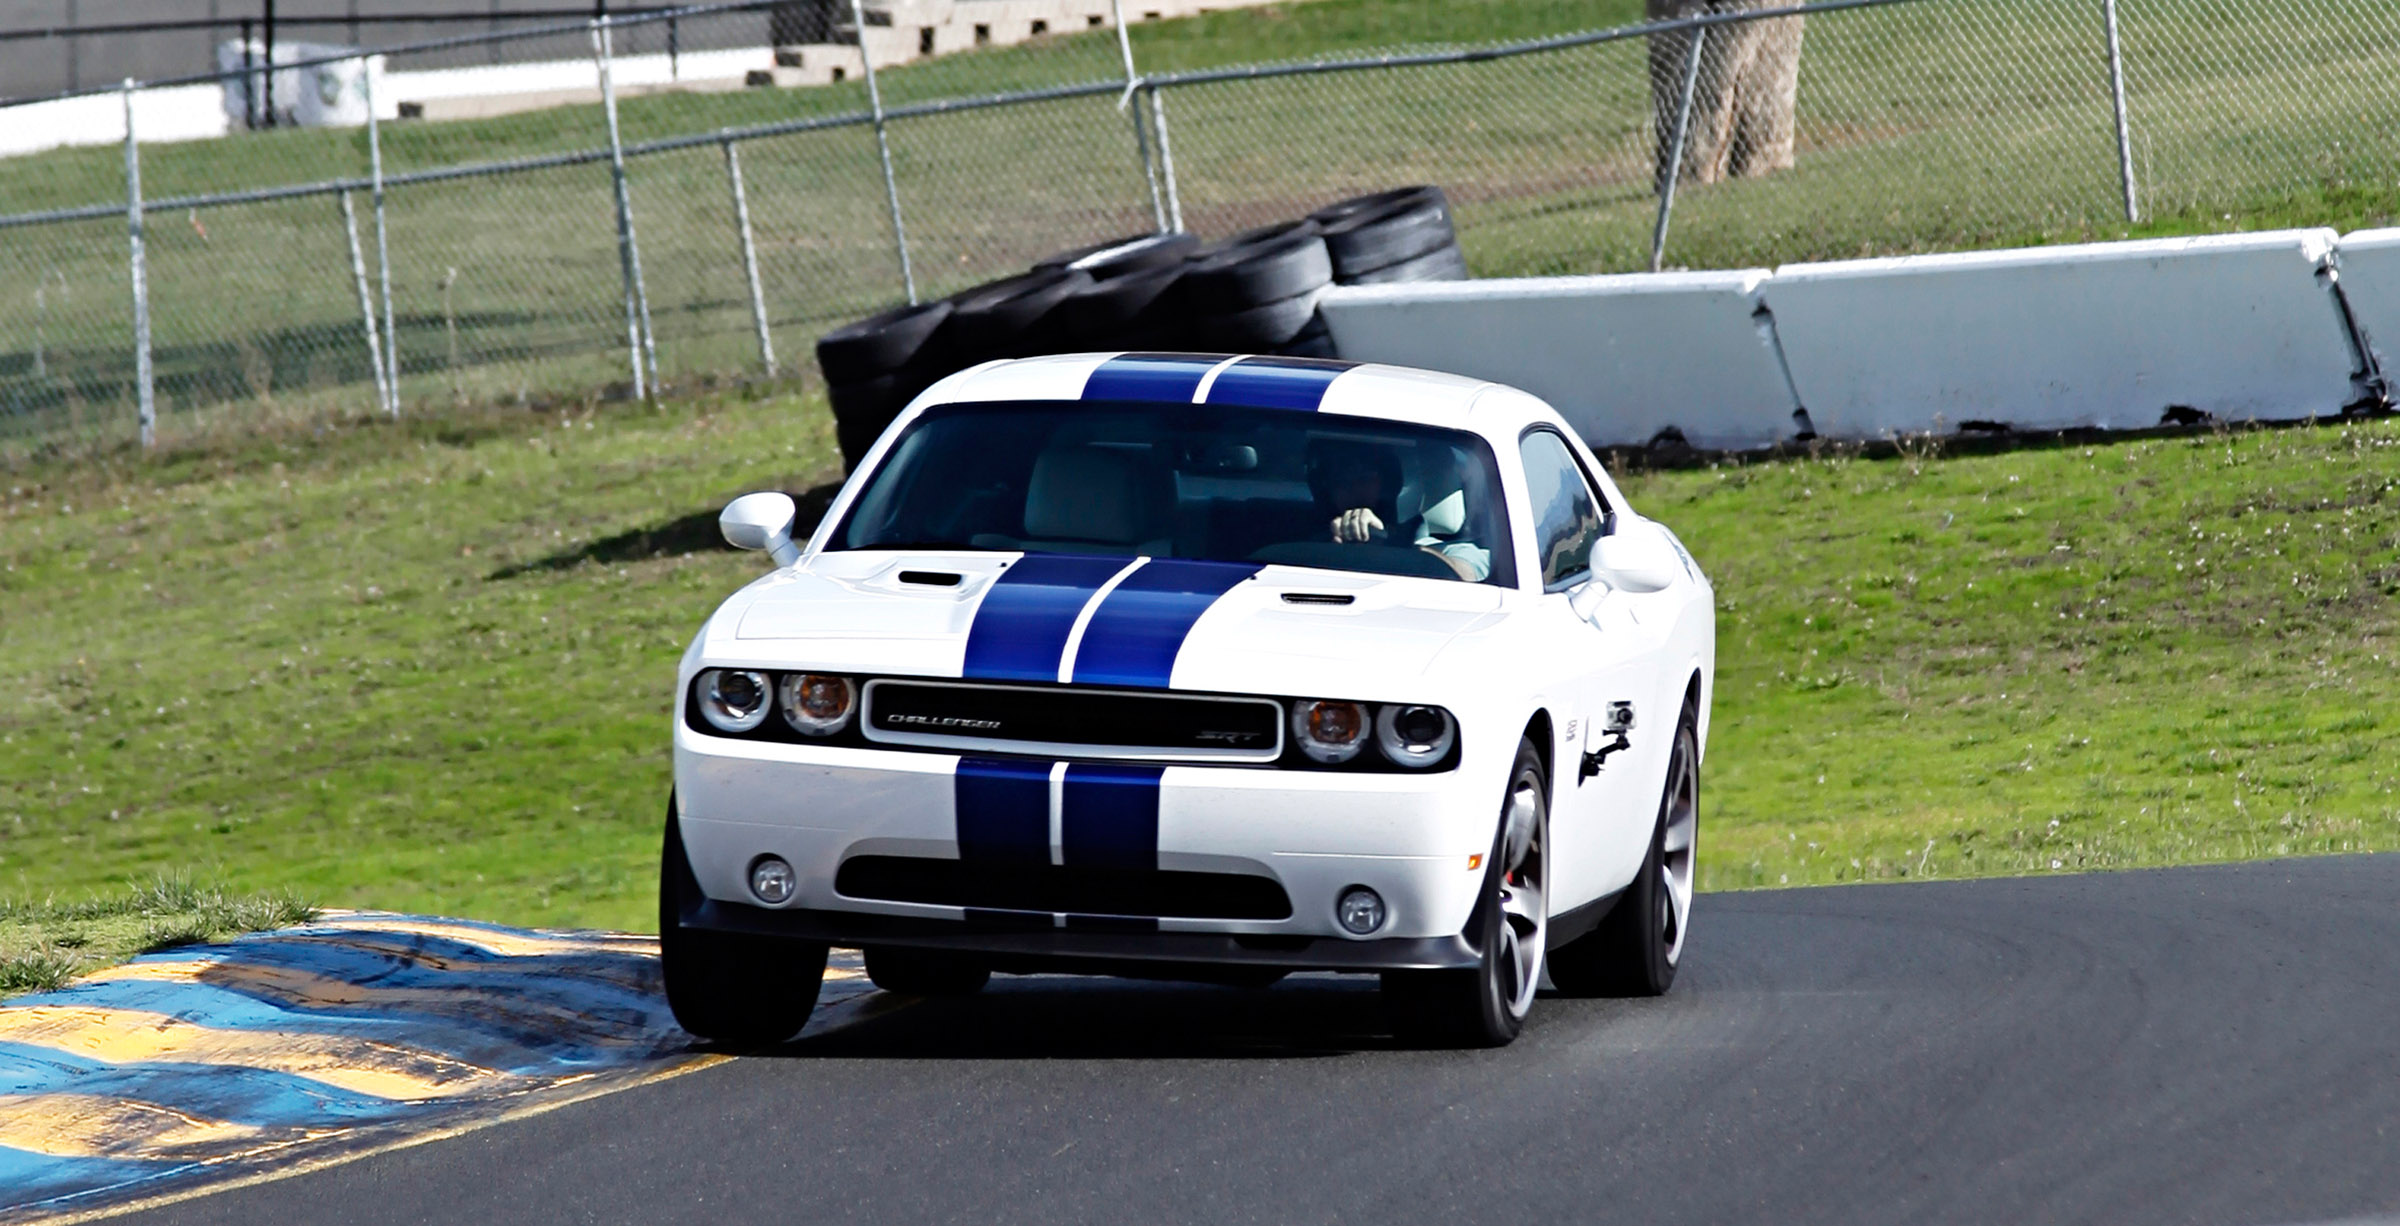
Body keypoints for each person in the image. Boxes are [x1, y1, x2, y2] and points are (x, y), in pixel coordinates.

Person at [1305, 439, 1491, 582]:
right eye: (1339, 477)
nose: (1351, 486)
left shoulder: (1453, 552)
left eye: (1364, 475)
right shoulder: (1303, 546)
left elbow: (1465, 575)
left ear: (1390, 482)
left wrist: (1387, 542)